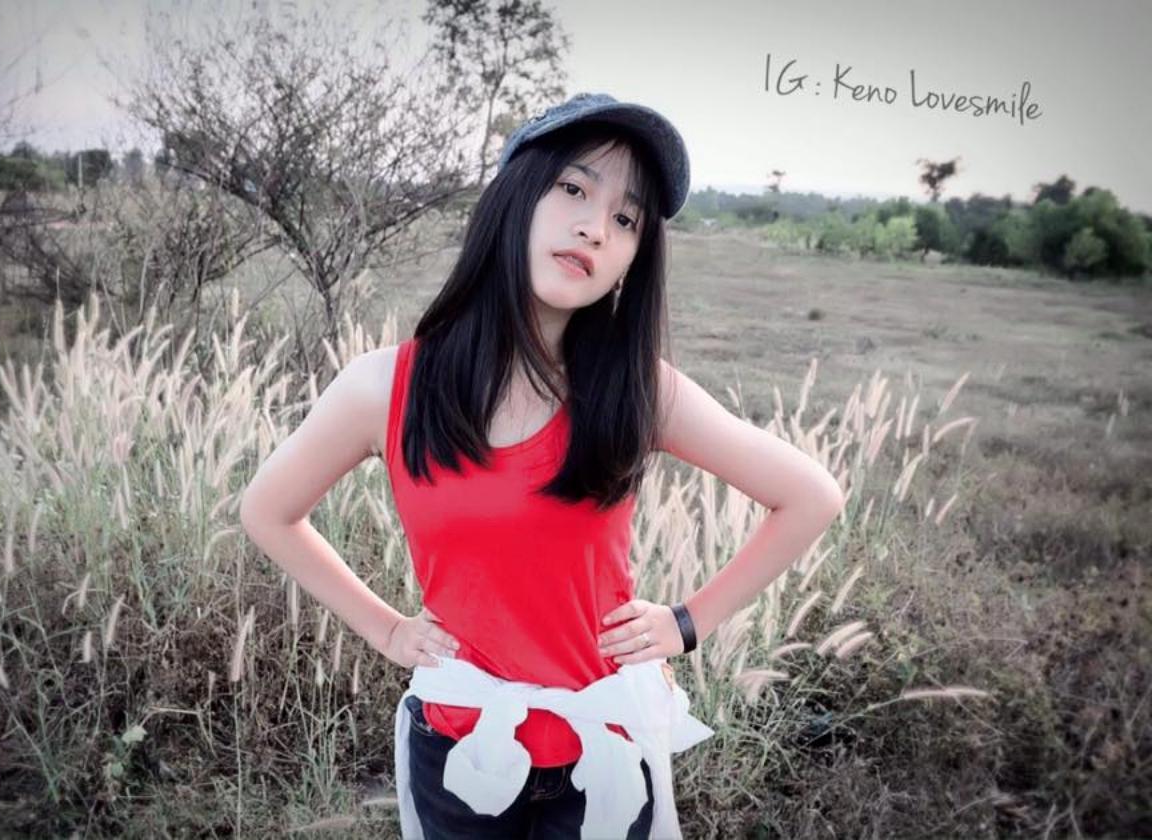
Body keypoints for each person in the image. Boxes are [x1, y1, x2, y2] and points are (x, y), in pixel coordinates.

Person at [240, 92, 846, 839]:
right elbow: (267, 511)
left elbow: (810, 495)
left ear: (632, 259)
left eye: (626, 219)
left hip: (604, 750)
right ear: (516, 196)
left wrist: (687, 623)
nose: (595, 227)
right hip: (461, 748)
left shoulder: (637, 391)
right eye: (573, 188)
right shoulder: (385, 387)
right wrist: (387, 630)